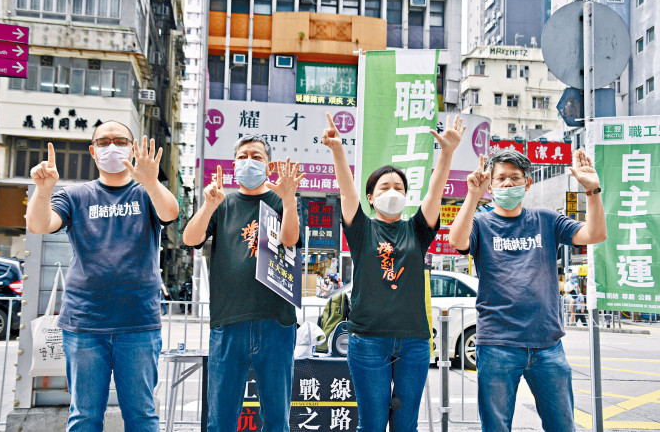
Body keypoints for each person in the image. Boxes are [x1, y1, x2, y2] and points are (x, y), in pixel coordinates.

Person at [25, 121, 179, 432]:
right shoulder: (75, 195)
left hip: (138, 324)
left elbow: (170, 213)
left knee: (142, 416)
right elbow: (40, 225)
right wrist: (43, 190)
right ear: (93, 152)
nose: (112, 146)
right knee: (83, 416)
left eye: (120, 140)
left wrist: (151, 181)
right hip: (84, 324)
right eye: (104, 141)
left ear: (132, 149)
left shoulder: (146, 192)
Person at [322, 112, 466, 431]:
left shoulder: (417, 229)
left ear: (406, 195)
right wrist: (337, 150)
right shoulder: (360, 229)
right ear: (371, 198)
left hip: (414, 342)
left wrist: (447, 154)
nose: (392, 191)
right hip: (367, 341)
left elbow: (434, 193)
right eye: (384, 186)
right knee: (371, 425)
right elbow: (347, 193)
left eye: (398, 186)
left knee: (405, 426)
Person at [449, 148, 606, 432]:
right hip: (497, 344)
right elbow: (456, 241)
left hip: (547, 345)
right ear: (491, 185)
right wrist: (473, 195)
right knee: (496, 427)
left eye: (515, 178)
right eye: (501, 179)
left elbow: (595, 234)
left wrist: (592, 191)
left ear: (527, 183)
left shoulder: (547, 220)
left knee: (562, 425)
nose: (508, 184)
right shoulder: (482, 224)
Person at [182, 135, 305, 432]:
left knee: (276, 419)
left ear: (269, 164)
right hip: (228, 321)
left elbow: (290, 240)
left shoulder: (279, 200)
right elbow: (190, 238)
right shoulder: (222, 203)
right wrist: (209, 205)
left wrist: (289, 200)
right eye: (242, 156)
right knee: (221, 419)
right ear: (233, 162)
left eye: (257, 156)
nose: (249, 161)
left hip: (276, 321)